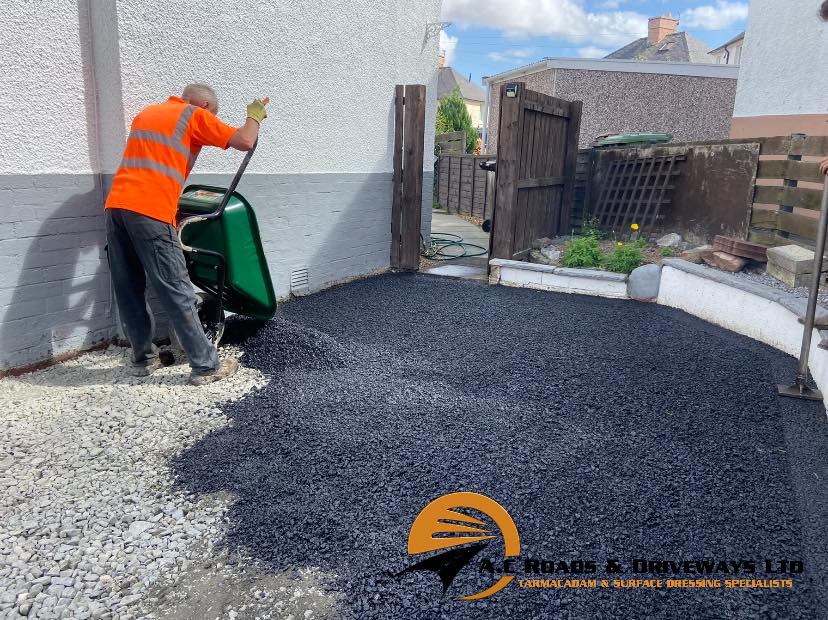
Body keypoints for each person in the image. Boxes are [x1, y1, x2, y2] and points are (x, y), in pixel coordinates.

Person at [104, 84, 269, 385]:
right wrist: (254, 116)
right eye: (213, 114)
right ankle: (206, 366)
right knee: (176, 288)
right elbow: (244, 140)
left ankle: (143, 359)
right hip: (151, 211)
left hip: (117, 207)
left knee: (128, 288)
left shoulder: (147, 114)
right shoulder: (193, 115)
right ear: (205, 104)